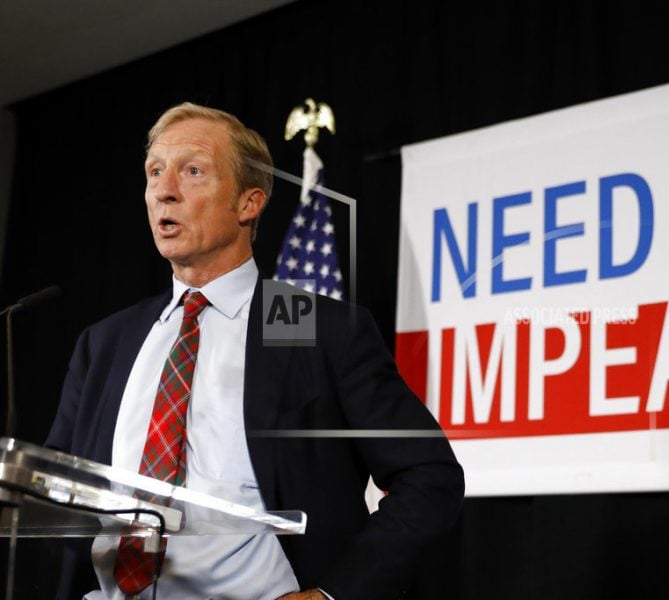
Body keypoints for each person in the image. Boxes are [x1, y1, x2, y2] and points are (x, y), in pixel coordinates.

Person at [45, 102, 464, 600]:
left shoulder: (311, 327)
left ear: (249, 203)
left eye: (192, 171)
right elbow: (54, 491)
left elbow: (429, 477)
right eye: (154, 171)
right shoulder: (107, 342)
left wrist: (333, 594)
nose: (164, 190)